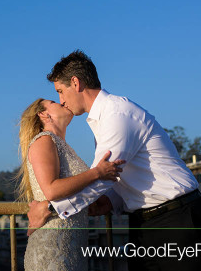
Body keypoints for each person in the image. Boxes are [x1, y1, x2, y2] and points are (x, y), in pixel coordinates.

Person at [27, 50, 201, 271]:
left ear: (76, 82)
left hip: (178, 221)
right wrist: (111, 200)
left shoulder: (117, 115)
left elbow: (102, 177)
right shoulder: (102, 120)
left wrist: (49, 209)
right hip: (146, 224)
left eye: (60, 91)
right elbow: (117, 174)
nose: (62, 101)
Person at [18, 97, 124, 271]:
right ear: (44, 114)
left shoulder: (62, 144)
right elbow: (51, 190)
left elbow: (74, 188)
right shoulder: (44, 140)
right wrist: (97, 172)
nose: (62, 101)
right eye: (53, 101)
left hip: (73, 246)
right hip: (53, 246)